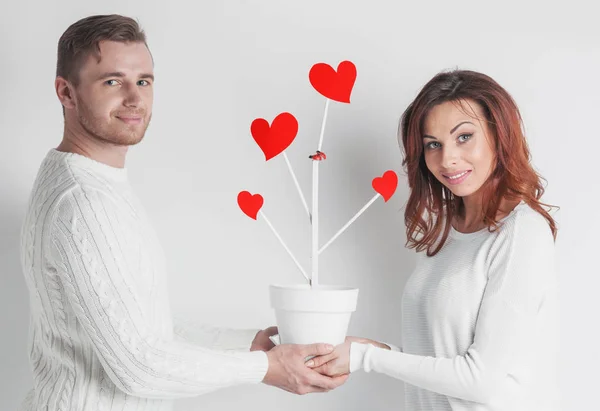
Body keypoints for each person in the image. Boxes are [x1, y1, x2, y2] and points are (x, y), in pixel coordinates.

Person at [18, 14, 347, 411]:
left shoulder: (79, 178)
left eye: (143, 81)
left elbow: (140, 329)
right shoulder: (85, 203)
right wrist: (266, 368)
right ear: (66, 93)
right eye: (112, 81)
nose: (134, 98)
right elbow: (138, 366)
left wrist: (244, 343)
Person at [307, 70, 559, 410]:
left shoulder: (522, 233)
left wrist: (365, 357)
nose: (447, 159)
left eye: (464, 137)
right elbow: (438, 358)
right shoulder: (444, 231)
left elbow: (480, 381)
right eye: (433, 145)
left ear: (500, 136)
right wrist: (374, 350)